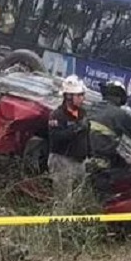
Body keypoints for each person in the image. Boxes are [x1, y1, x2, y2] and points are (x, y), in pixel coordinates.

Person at [86, 81, 131, 201]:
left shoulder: (92, 107)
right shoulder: (119, 114)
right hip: (101, 159)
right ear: (118, 97)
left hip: (83, 155)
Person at [47, 75, 90, 207]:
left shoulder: (83, 113)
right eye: (78, 95)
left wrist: (90, 153)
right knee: (63, 201)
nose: (82, 98)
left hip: (80, 161)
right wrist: (76, 129)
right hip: (63, 160)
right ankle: (59, 225)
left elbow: (86, 136)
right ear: (68, 96)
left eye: (82, 95)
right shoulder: (57, 115)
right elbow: (56, 138)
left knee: (78, 200)